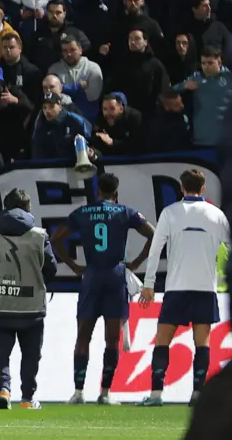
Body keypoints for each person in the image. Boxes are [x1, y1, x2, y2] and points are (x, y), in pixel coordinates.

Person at [51, 172, 155, 405]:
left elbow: (56, 238)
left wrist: (73, 265)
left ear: (97, 192)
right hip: (115, 276)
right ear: (116, 194)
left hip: (92, 276)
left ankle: (78, 392)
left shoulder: (82, 212)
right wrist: (136, 263)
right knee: (112, 338)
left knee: (83, 335)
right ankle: (105, 393)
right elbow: (154, 235)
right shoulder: (125, 212)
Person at [140, 168, 232, 407]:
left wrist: (149, 284)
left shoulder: (170, 213)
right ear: (203, 188)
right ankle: (198, 394)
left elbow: (155, 249)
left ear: (181, 188)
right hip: (205, 287)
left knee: (163, 339)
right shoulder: (217, 215)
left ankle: (156, 394)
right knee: (202, 343)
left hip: (176, 288)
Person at [0, 187, 58, 410]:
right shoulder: (39, 236)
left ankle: (4, 389)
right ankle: (27, 398)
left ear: (5, 207)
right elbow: (51, 269)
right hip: (31, 306)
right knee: (31, 356)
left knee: (0, 353)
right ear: (28, 208)